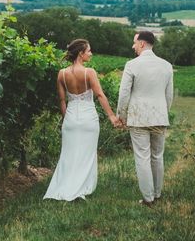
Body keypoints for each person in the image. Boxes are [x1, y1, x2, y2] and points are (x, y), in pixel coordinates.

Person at [44, 39, 120, 201]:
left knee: (69, 154)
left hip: (70, 118)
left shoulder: (62, 74)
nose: (91, 54)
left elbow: (62, 101)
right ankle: (80, 188)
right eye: (89, 51)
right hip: (88, 119)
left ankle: (65, 186)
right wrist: (112, 116)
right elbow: (100, 95)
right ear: (81, 53)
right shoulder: (89, 73)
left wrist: (66, 119)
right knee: (87, 154)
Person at [117, 31, 173, 206]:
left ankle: (148, 198)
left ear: (142, 44)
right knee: (157, 156)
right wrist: (164, 112)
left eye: (134, 43)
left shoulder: (132, 65)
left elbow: (124, 94)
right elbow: (169, 95)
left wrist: (121, 115)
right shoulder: (166, 65)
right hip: (160, 116)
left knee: (142, 156)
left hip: (139, 117)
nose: (133, 46)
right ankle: (157, 193)